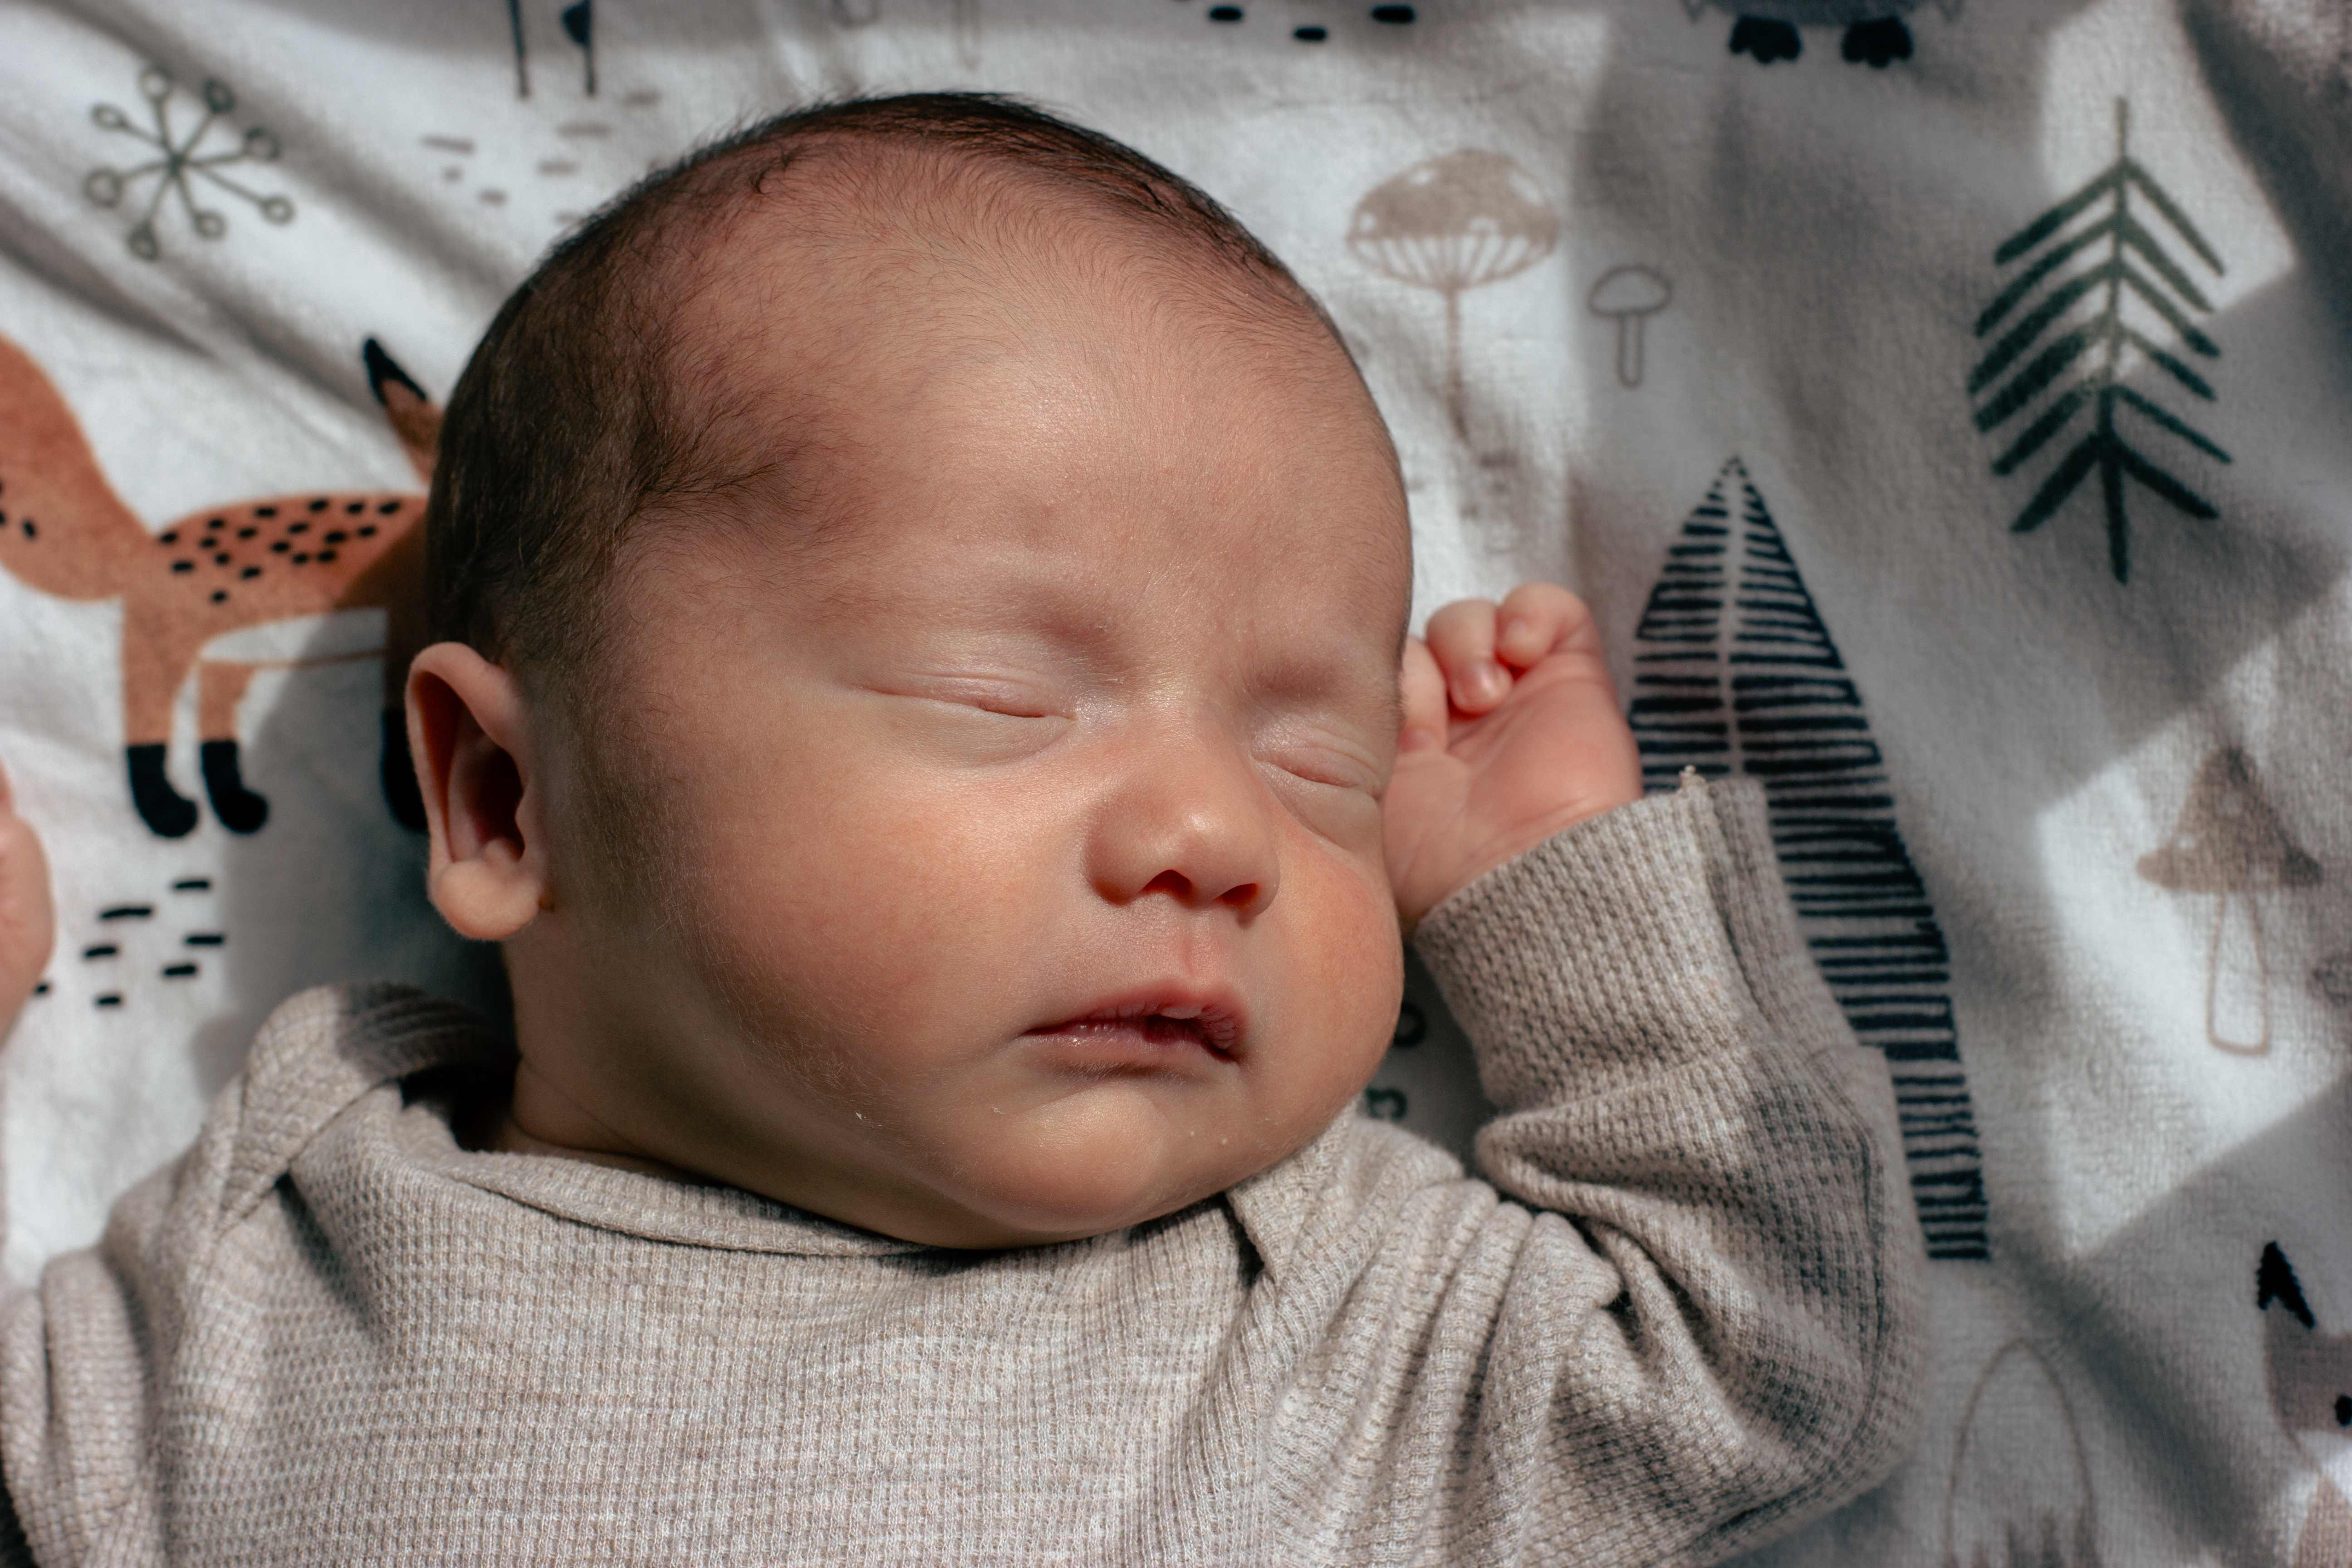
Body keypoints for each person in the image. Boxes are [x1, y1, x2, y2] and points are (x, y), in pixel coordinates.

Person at [0, 94, 1925, 1564]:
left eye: (1318, 756)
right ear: (507, 798)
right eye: (1006, 698)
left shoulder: (1332, 1308)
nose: (1213, 829)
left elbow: (1763, 1367)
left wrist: (1546, 896)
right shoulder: (290, 1261)